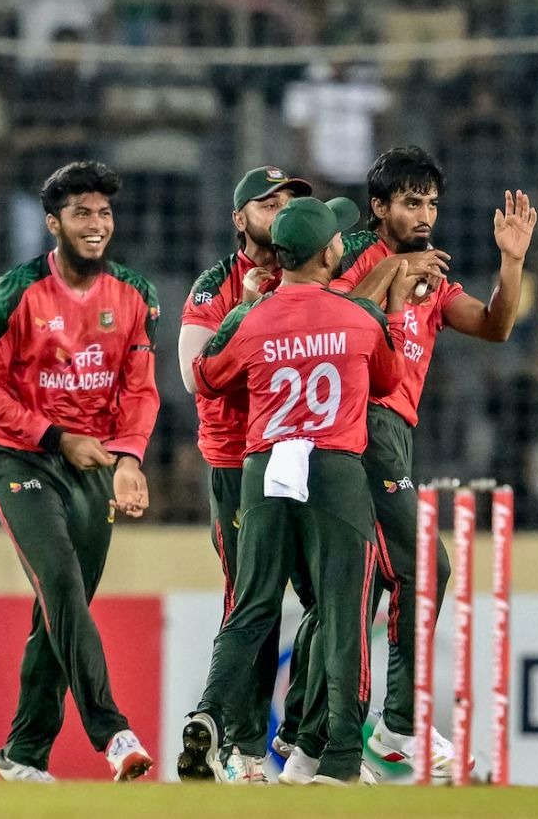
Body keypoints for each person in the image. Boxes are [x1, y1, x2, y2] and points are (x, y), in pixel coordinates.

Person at [284, 146, 536, 781]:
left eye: (431, 204)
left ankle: (306, 746)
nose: (424, 215)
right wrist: (395, 270)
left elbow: (495, 326)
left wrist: (511, 262)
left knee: (360, 586)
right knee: (426, 567)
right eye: (410, 202)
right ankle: (397, 726)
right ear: (379, 206)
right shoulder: (353, 255)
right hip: (358, 423)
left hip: (394, 433)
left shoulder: (434, 276)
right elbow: (326, 316)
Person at [174, 167, 404, 783]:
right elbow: (388, 381)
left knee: (251, 605)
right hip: (332, 465)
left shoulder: (253, 315)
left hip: (264, 462)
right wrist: (386, 311)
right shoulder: (356, 315)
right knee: (343, 609)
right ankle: (336, 755)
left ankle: (210, 714)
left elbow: (205, 376)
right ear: (328, 253)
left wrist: (247, 315)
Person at [0, 160, 160, 782]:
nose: (96, 224)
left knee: (59, 609)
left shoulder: (134, 294)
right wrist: (55, 436)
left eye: (104, 212)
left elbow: (140, 389)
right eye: (81, 213)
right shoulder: (14, 292)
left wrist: (128, 458)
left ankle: (21, 757)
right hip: (21, 459)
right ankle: (114, 733)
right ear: (53, 223)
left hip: (94, 464)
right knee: (61, 585)